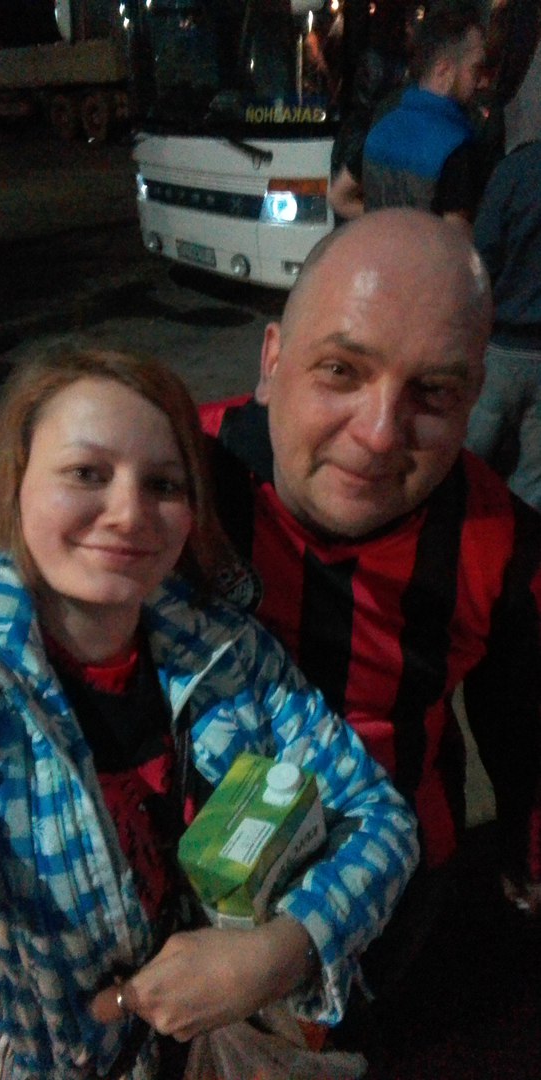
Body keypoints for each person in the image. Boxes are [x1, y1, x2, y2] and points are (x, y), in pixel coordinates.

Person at [0, 345, 418, 1078]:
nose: (129, 513)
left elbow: (381, 819)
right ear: (16, 484)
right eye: (86, 473)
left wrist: (280, 952)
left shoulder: (224, 650)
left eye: (162, 483)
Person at [198, 208, 541, 925]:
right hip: (177, 887)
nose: (381, 434)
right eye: (341, 370)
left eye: (433, 391)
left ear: (472, 399)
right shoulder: (173, 476)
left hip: (397, 894)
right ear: (271, 363)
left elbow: (526, 736)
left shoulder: (504, 545)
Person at [328, 2, 486, 228]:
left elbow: (338, 198)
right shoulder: (456, 147)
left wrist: (390, 221)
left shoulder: (382, 129)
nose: (481, 81)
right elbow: (457, 237)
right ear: (444, 70)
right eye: (475, 69)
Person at [465, 138, 541, 513]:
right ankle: (519, 542)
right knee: (533, 481)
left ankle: (459, 532)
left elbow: (484, 255)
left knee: (467, 458)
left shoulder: (518, 169)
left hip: (502, 348)